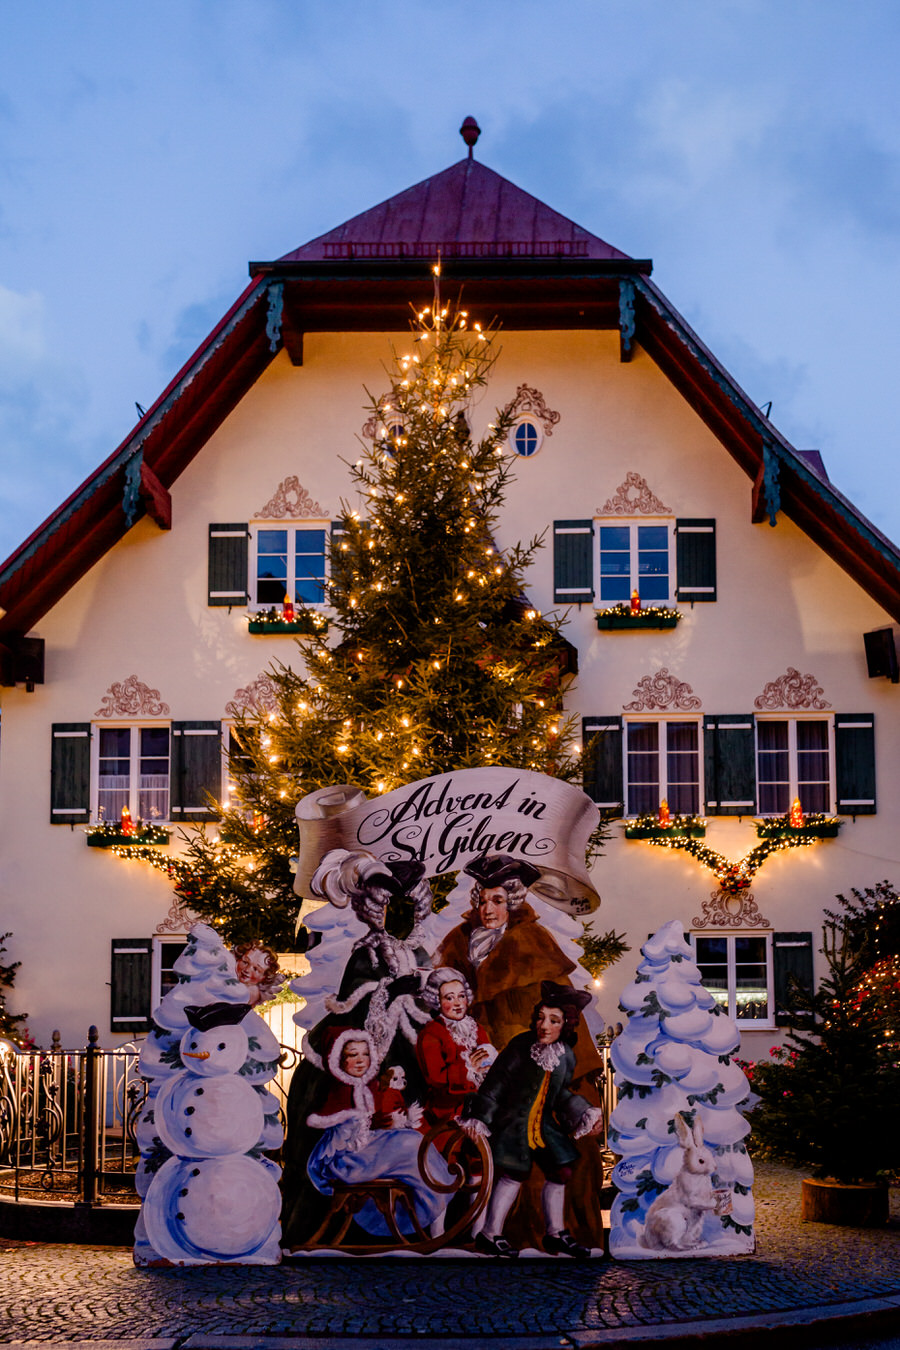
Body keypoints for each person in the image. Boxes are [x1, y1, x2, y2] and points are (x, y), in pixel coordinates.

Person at [462, 983, 604, 1259]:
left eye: (553, 1020)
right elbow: (495, 1084)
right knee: (513, 1173)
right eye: (541, 1017)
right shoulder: (520, 1046)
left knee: (561, 1170)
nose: (544, 1025)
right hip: (511, 1121)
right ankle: (490, 1234)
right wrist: (479, 1118)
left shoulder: (565, 1056)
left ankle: (555, 1234)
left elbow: (560, 1095)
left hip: (542, 1126)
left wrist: (584, 1111)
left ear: (566, 1025)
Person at [305, 1027, 450, 1241]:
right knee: (409, 1143)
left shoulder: (369, 1086)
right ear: (338, 1059)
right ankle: (433, 1209)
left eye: (365, 1054)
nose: (361, 1060)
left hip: (367, 1150)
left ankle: (436, 1204)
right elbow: (339, 1128)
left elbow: (373, 1123)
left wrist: (391, 1122)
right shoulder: (340, 1090)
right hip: (347, 1160)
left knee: (414, 1142)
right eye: (353, 1055)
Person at [415, 967, 496, 1126]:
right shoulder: (431, 1034)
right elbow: (435, 1078)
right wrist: (468, 1068)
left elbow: (487, 1057)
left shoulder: (476, 1028)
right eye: (449, 998)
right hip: (448, 1106)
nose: (458, 1003)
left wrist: (490, 1064)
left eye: (461, 996)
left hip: (480, 1096)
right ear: (437, 1001)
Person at [232, 942, 284, 1006]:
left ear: (264, 977)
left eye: (256, 969)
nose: (247, 970)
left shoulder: (252, 993)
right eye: (245, 962)